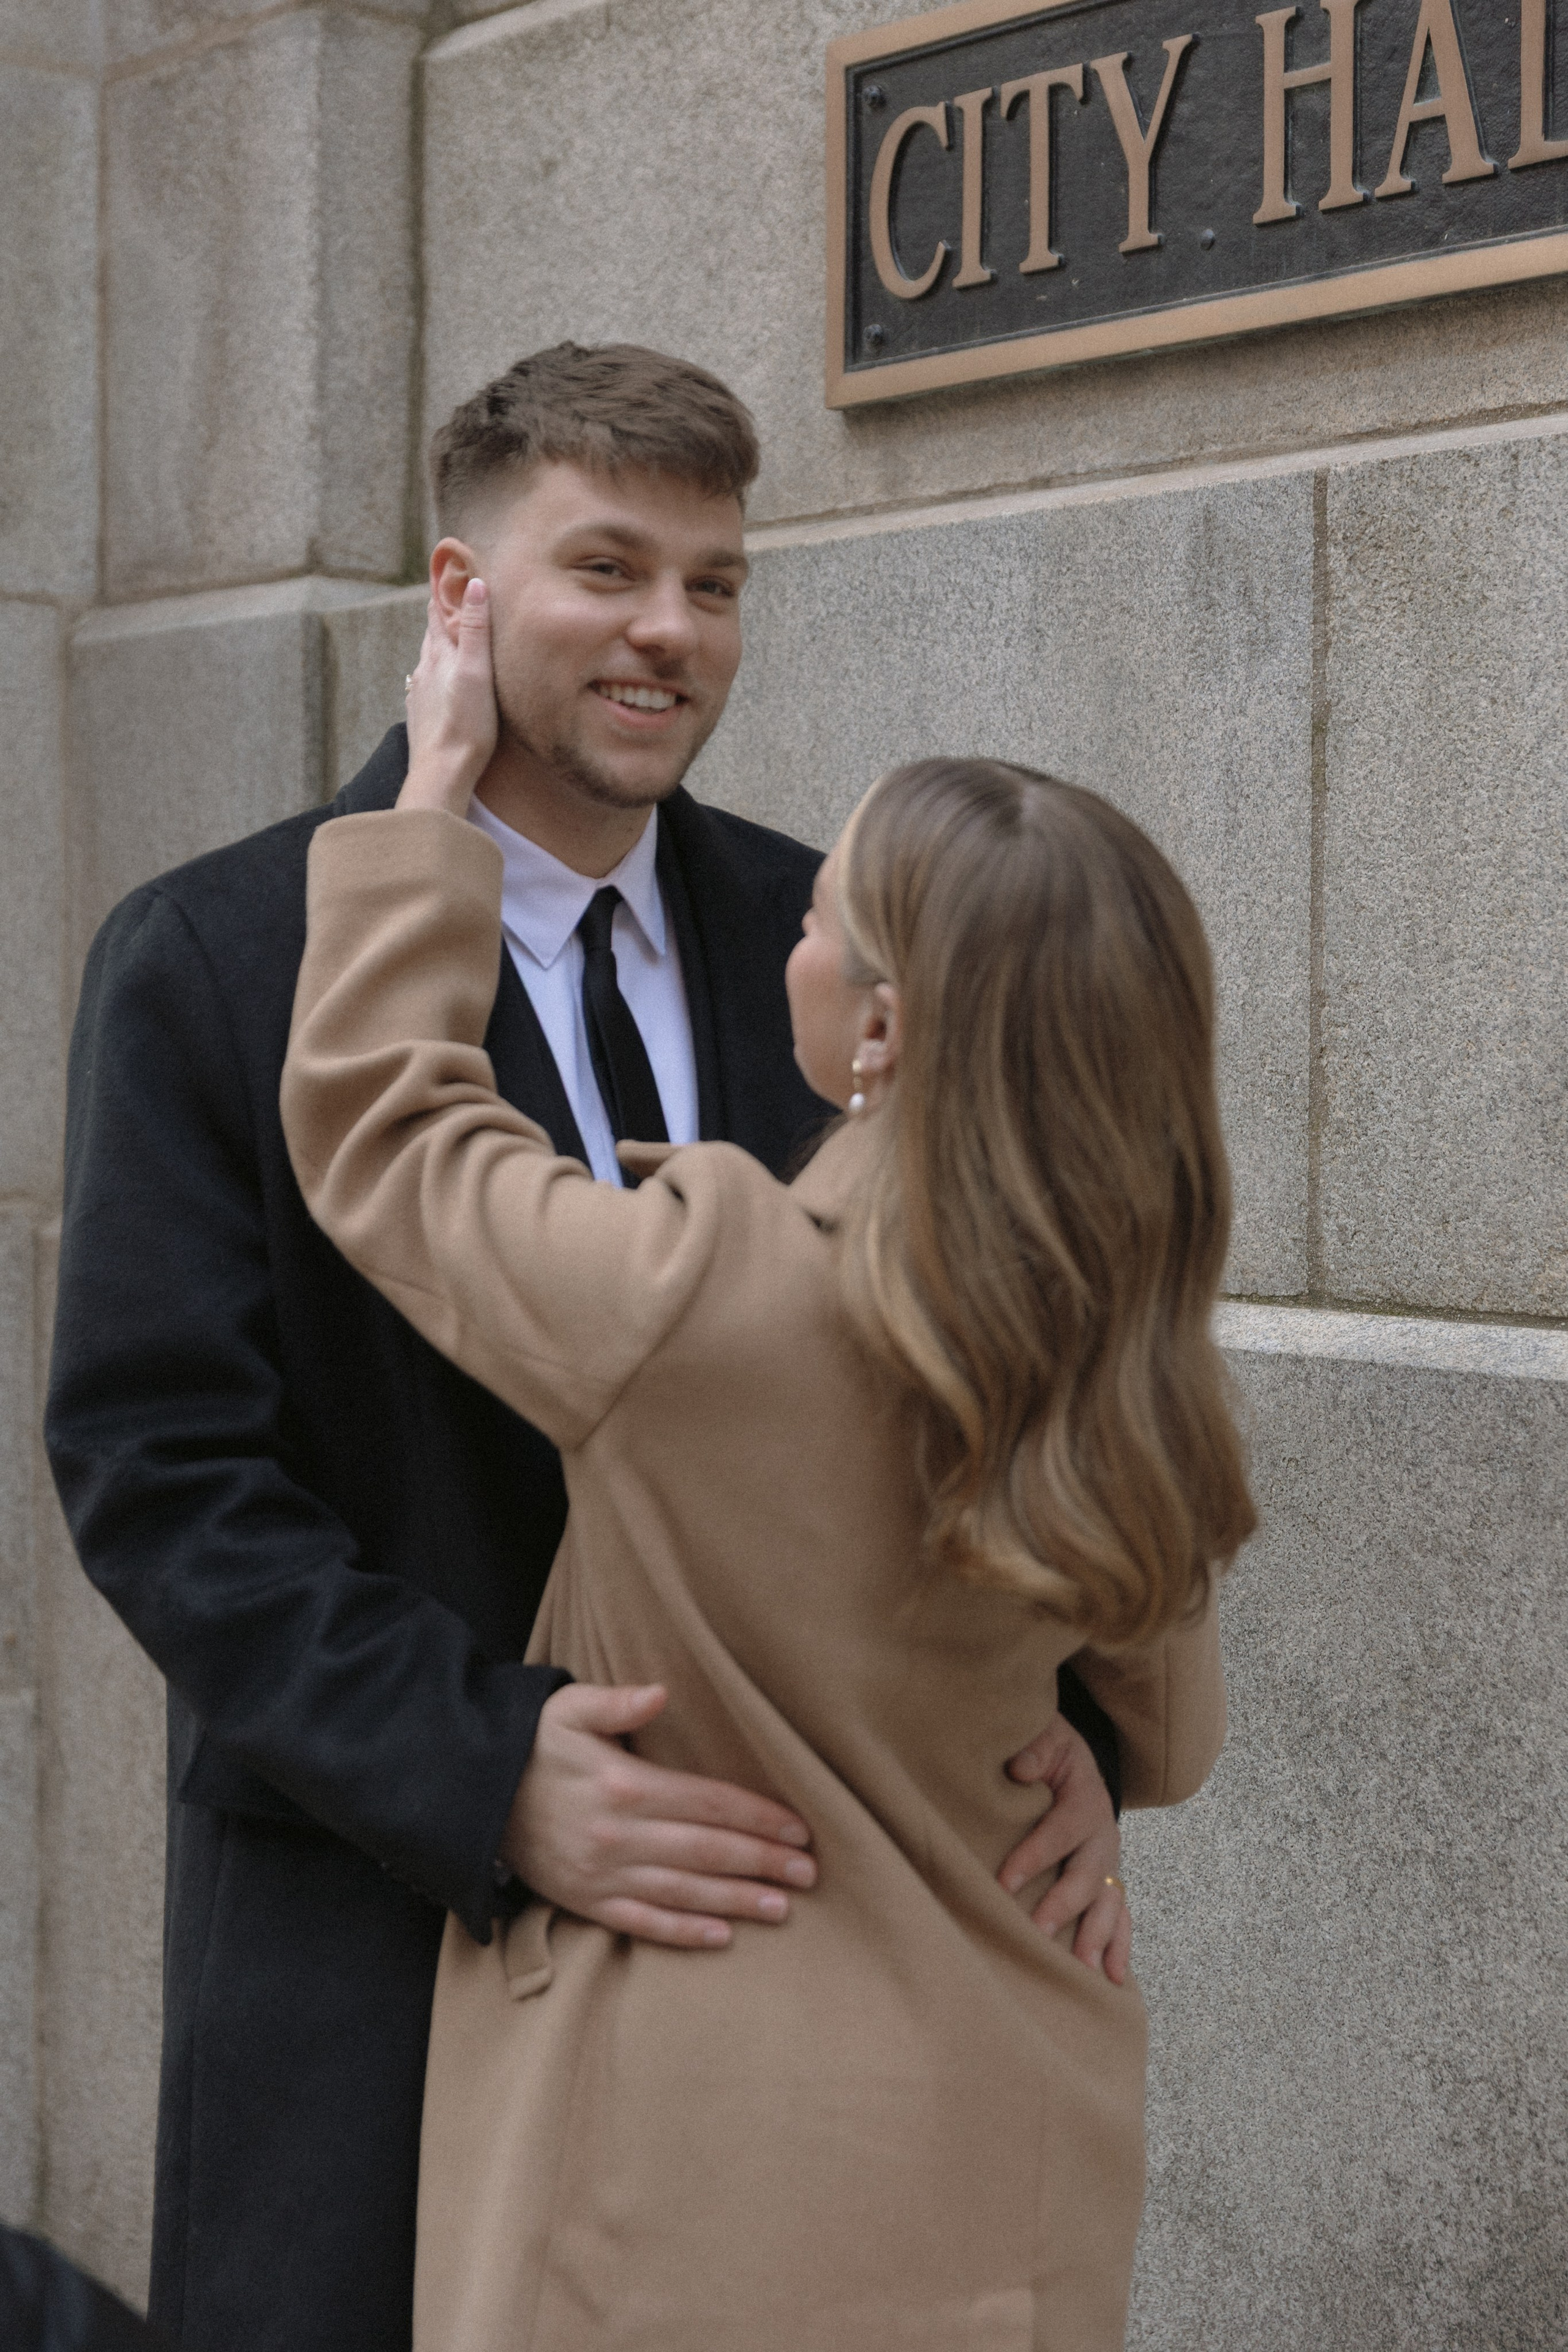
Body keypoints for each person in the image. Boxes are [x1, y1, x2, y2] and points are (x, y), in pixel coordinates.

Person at [43, 345, 1124, 2352]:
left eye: (714, 582)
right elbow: (162, 1471)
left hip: (801, 1998)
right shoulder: (215, 955)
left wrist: (1082, 1729)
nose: (670, 631)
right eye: (608, 569)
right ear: (459, 600)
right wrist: (484, 1766)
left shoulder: (842, 938)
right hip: (378, 1929)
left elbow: (1030, 1346)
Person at [280, 627, 1254, 2346]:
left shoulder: (703, 1289)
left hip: (679, 2142)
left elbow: (390, 1137)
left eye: (819, 918)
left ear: (881, 1026)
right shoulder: (1131, 1346)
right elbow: (1161, 1741)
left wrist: (430, 802)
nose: (783, 927)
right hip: (1005, 2125)